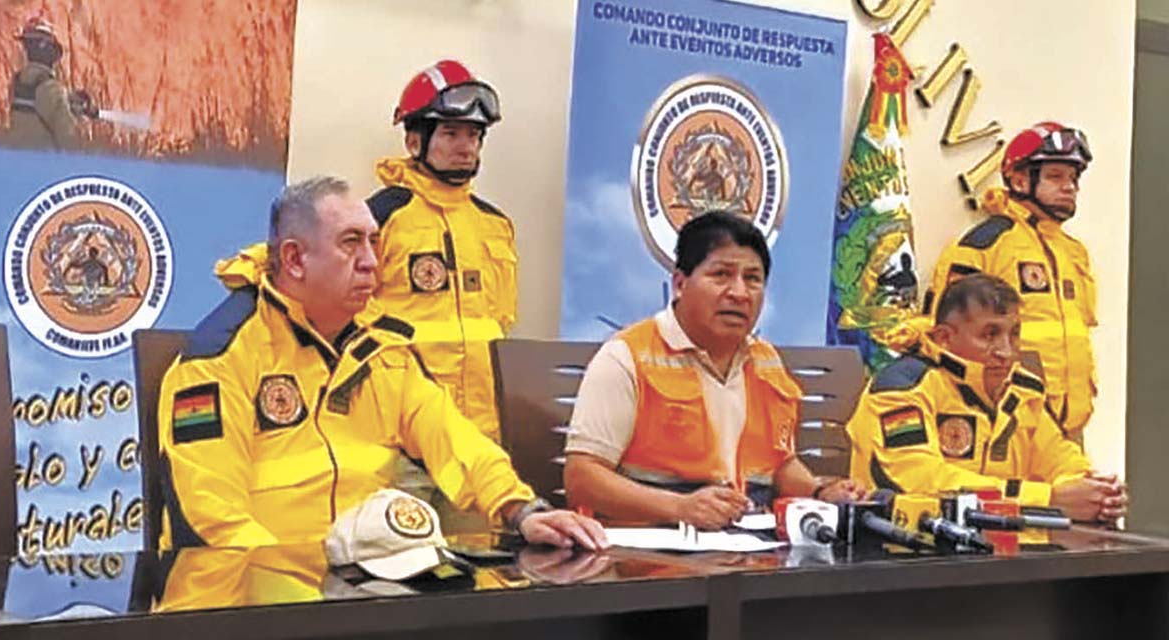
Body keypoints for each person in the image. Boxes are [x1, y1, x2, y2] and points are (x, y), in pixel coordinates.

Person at [156, 176, 607, 551]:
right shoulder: (218, 358)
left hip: (357, 587)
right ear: (294, 258)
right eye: (351, 244)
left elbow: (455, 439)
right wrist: (304, 601)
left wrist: (520, 509)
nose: (373, 262)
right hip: (249, 605)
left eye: (374, 242)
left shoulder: (381, 351)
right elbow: (212, 522)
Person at [563, 212, 864, 531]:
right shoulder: (626, 357)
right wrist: (679, 508)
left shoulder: (766, 361)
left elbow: (778, 465)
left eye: (753, 279)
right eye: (721, 275)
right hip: (644, 554)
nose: (739, 293)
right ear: (680, 284)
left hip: (747, 548)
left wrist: (820, 491)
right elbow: (582, 478)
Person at [847, 274, 1126, 522]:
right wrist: (1047, 499)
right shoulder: (900, 389)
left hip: (1007, 546)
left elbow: (1060, 458)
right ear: (944, 338)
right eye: (990, 335)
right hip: (905, 551)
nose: (1006, 351)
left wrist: (1091, 492)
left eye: (1014, 334)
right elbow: (917, 480)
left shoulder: (1023, 390)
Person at [365, 60, 516, 443]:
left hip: (481, 438)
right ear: (415, 140)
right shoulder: (380, 217)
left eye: (474, 134)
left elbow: (501, 322)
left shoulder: (495, 225)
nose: (465, 146)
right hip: (401, 436)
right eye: (450, 133)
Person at [925, 122, 1096, 440]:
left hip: (1068, 428)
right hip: (1005, 421)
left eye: (1074, 178)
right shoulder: (986, 243)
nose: (1070, 187)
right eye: (1056, 176)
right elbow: (946, 340)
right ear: (1019, 179)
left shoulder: (1074, 253)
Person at [9, 17, 97, 150]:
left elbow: (38, 103)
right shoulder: (53, 89)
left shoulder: (17, 83)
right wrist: (78, 118)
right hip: (44, 164)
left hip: (17, 160)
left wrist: (68, 100)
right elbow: (68, 138)